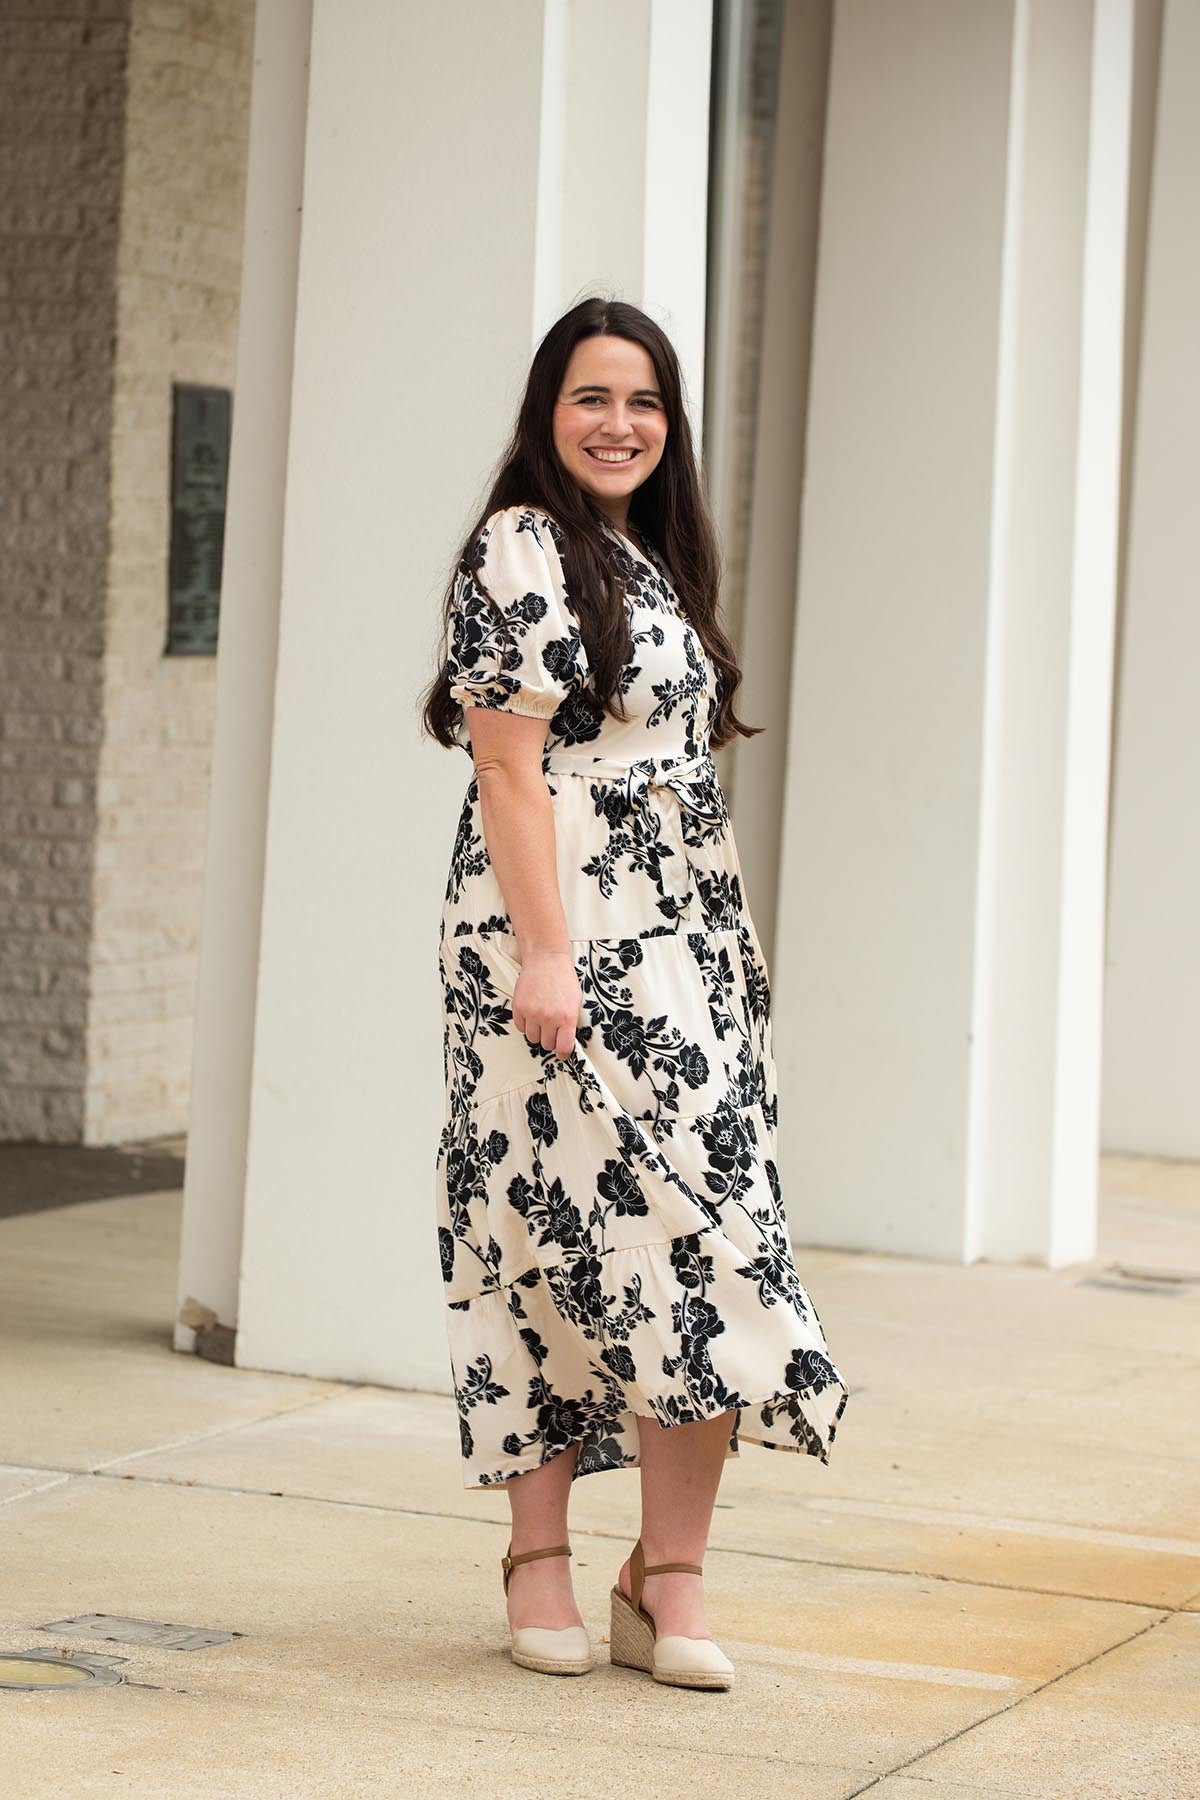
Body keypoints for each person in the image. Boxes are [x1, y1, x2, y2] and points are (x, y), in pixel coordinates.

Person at [420, 296, 849, 1690]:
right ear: (549, 414)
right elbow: (506, 767)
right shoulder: (523, 545)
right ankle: (535, 1557)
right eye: (593, 398)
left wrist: (724, 963)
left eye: (646, 402)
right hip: (562, 939)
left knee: (714, 1246)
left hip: (683, 948)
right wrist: (550, 957)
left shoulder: (645, 555)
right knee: (544, 1236)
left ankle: (668, 1575)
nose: (622, 425)